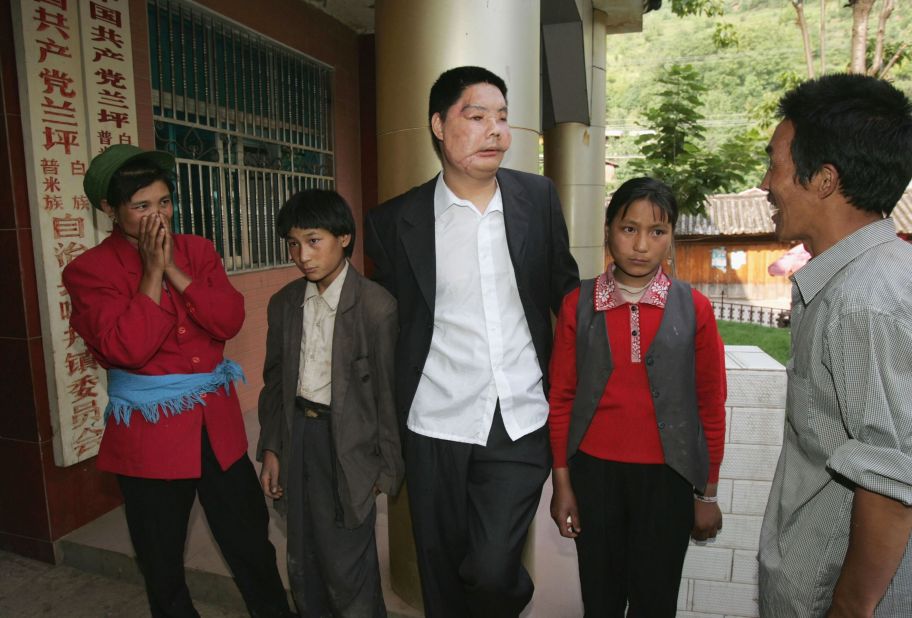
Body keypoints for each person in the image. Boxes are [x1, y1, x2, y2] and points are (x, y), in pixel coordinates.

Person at [364, 65, 579, 617]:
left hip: (519, 418)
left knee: (489, 569)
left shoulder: (537, 198)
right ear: (439, 125)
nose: (496, 131)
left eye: (503, 118)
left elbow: (567, 296)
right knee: (440, 573)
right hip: (435, 421)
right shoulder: (395, 222)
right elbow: (388, 325)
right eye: (476, 116)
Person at [62, 145, 291, 618]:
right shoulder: (89, 271)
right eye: (141, 205)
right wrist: (150, 272)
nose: (157, 215)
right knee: (162, 562)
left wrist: (170, 267)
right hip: (151, 439)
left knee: (250, 542)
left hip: (218, 426)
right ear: (110, 209)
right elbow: (128, 349)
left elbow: (227, 320)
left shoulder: (198, 250)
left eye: (164, 202)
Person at [757, 73, 912, 617]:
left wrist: (849, 607)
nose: (765, 182)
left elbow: (891, 483)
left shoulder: (865, 299)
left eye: (774, 163)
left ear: (822, 179)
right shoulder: (853, 279)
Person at [548, 177, 727, 616]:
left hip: (667, 480)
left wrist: (707, 494)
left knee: (654, 601)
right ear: (608, 230)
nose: (642, 245)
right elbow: (562, 398)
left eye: (657, 232)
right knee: (601, 599)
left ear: (671, 238)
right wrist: (562, 483)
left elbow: (710, 404)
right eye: (629, 229)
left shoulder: (695, 308)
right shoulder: (579, 304)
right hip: (595, 475)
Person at [257, 189, 404, 617]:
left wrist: (386, 468)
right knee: (302, 556)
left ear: (343, 238)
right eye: (293, 243)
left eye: (313, 240)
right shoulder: (284, 304)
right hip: (299, 436)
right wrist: (272, 448)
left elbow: (389, 396)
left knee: (348, 562)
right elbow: (275, 383)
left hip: (349, 445)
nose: (302, 255)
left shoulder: (377, 308)